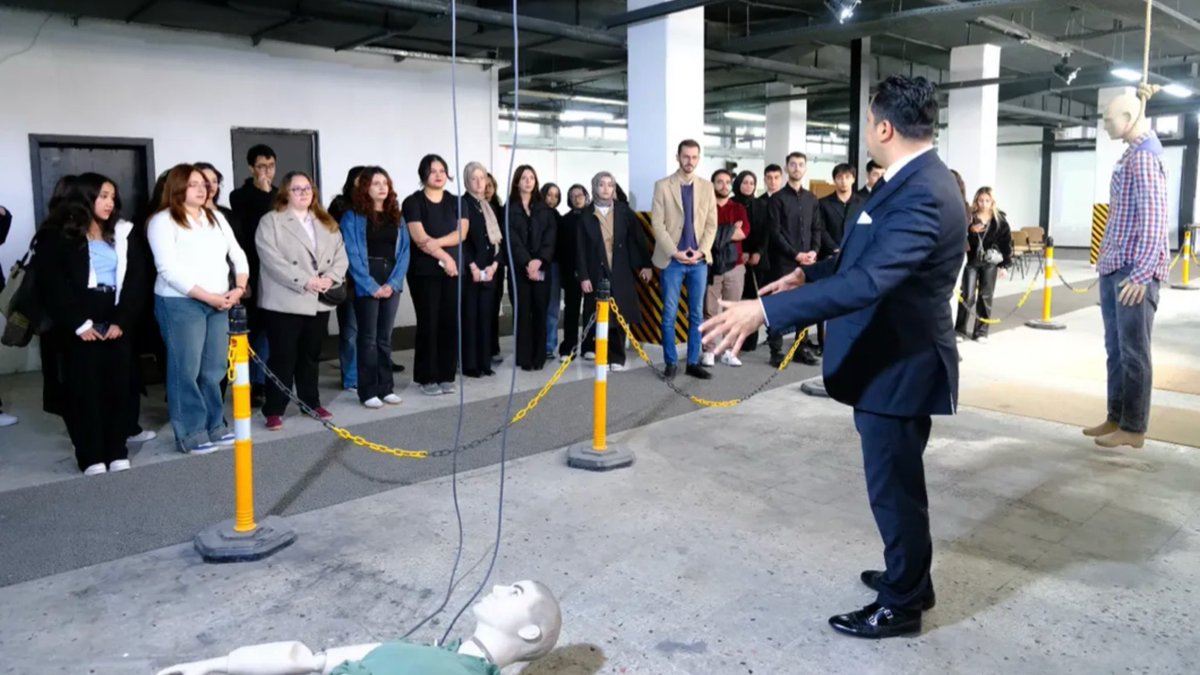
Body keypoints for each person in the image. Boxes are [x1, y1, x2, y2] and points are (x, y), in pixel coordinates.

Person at [702, 75, 966, 639]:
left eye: (871, 123)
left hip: (900, 364)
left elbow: (872, 280)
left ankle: (902, 604)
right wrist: (808, 272)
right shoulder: (908, 181)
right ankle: (911, 578)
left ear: (885, 127)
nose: (869, 132)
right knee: (897, 484)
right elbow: (863, 256)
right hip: (888, 360)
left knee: (893, 489)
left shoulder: (922, 189)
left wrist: (767, 312)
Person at [155, 580, 561, 675]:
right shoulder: (445, 654)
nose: (498, 586)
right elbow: (315, 660)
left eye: (515, 592)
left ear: (529, 632)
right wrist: (217, 664)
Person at [34, 173, 150, 474]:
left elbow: (137, 278)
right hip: (76, 319)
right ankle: (90, 455)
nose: (109, 202)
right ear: (85, 197)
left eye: (112, 196)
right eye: (102, 196)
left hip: (115, 314)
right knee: (83, 389)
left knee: (118, 387)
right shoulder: (57, 234)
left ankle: (117, 449)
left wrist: (122, 320)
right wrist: (78, 323)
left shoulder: (123, 233)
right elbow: (51, 284)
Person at [1084, 89, 1171, 450]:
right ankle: (1116, 416)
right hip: (1116, 265)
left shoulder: (1145, 160)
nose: (1104, 125)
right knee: (1117, 349)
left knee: (1134, 351)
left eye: (1108, 119)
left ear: (1129, 118)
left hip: (1133, 270)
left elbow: (1154, 221)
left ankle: (1134, 427)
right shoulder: (1132, 155)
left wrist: (1142, 273)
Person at [147, 164, 249, 454]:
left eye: (204, 183)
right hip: (180, 302)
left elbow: (237, 254)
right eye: (193, 184)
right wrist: (209, 297)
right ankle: (191, 433)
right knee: (186, 370)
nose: (202, 188)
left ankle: (215, 426)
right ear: (177, 187)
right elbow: (168, 269)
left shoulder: (215, 216)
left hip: (220, 299)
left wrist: (238, 288)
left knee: (213, 369)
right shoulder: (162, 221)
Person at [255, 172, 348, 430]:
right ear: (286, 192)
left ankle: (310, 401)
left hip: (319, 299)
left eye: (307, 188)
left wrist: (330, 278)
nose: (303, 193)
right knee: (283, 357)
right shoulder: (271, 222)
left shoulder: (325, 221)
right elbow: (272, 260)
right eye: (297, 189)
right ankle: (274, 408)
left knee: (310, 355)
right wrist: (306, 281)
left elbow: (341, 254)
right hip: (286, 299)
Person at [343, 167, 411, 407]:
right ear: (365, 188)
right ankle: (368, 391)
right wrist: (371, 285)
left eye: (385, 183)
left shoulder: (397, 216)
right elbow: (351, 254)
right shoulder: (352, 216)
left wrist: (393, 283)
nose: (382, 187)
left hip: (391, 276)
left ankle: (386, 388)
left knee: (385, 338)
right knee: (368, 338)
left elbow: (404, 253)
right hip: (366, 278)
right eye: (375, 183)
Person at [650, 139, 717, 380]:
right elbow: (657, 223)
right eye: (686, 156)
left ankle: (692, 362)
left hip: (699, 262)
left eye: (694, 157)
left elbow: (711, 224)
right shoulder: (662, 186)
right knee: (669, 314)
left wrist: (702, 251)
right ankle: (670, 363)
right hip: (672, 261)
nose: (690, 161)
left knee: (697, 315)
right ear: (677, 157)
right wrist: (674, 251)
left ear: (698, 159)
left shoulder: (707, 187)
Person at [404, 155, 468, 395]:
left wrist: (437, 245)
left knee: (449, 322)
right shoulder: (413, 202)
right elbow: (419, 238)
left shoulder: (457, 201)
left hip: (451, 272)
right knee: (428, 322)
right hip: (425, 272)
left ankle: (446, 375)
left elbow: (460, 234)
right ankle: (427, 378)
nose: (439, 175)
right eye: (433, 171)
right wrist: (447, 258)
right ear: (423, 175)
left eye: (442, 170)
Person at [578, 172, 652, 371]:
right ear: (595, 187)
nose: (605, 188)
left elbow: (637, 239)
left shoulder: (624, 211)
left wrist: (645, 264)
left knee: (620, 315)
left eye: (610, 185)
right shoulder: (585, 214)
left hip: (620, 269)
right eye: (601, 184)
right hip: (596, 270)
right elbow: (580, 248)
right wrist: (584, 275)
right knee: (598, 315)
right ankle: (600, 354)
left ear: (614, 188)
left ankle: (617, 357)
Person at [229, 144, 278, 407]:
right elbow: (249, 226)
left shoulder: (280, 194)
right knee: (253, 329)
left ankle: (264, 381)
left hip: (275, 271)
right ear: (251, 167)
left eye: (270, 166)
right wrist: (263, 189)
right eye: (261, 166)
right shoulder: (240, 196)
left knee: (270, 330)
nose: (266, 171)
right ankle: (248, 384)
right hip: (250, 269)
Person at [766, 151, 823, 368]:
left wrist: (814, 252)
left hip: (808, 262)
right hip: (784, 261)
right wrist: (795, 254)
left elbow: (816, 228)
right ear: (787, 167)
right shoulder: (777, 199)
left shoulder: (812, 199)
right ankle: (776, 350)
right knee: (780, 305)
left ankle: (800, 348)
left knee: (804, 306)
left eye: (800, 164)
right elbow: (775, 233)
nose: (797, 168)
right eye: (793, 164)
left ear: (805, 168)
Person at [506, 165, 556, 372]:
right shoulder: (509, 209)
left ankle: (539, 357)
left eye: (532, 178)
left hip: (542, 267)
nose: (528, 181)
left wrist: (539, 261)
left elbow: (550, 238)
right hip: (520, 269)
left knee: (540, 311)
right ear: (517, 181)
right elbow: (512, 239)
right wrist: (527, 262)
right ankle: (524, 357)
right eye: (524, 178)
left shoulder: (544, 209)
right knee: (523, 312)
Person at [815, 163, 868, 353]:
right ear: (834, 180)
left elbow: (866, 231)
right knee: (828, 302)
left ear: (853, 179)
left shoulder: (863, 203)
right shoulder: (823, 203)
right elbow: (820, 230)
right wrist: (836, 249)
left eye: (847, 177)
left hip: (856, 259)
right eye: (839, 177)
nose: (843, 181)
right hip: (830, 257)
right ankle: (824, 342)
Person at [701, 169, 749, 368]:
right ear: (712, 184)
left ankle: (729, 350)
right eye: (719, 181)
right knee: (710, 310)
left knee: (733, 310)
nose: (723, 185)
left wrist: (718, 233)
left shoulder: (738, 207)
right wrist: (730, 229)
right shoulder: (704, 206)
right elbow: (703, 234)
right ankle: (709, 351)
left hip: (735, 266)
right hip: (710, 264)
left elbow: (743, 232)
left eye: (727, 182)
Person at [460, 162, 504, 378]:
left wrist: (495, 264)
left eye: (482, 177)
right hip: (472, 271)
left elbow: (497, 241)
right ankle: (470, 364)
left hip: (490, 270)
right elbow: (462, 241)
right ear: (467, 180)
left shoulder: (488, 206)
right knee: (471, 317)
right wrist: (473, 266)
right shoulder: (463, 204)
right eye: (474, 178)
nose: (479, 182)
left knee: (486, 317)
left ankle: (485, 362)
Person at [955, 187, 1012, 344]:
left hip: (990, 262)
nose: (984, 204)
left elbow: (1006, 243)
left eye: (987, 200)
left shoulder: (999, 220)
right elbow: (962, 237)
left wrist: (1005, 265)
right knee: (967, 295)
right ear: (976, 201)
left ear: (992, 201)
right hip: (972, 261)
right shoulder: (970, 217)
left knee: (986, 296)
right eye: (981, 200)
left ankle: (981, 332)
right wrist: (971, 231)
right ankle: (960, 329)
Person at [328, 166, 366, 392]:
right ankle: (351, 377)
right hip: (348, 278)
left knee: (370, 330)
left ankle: (371, 372)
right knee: (350, 331)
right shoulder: (340, 206)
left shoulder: (375, 206)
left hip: (372, 277)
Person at [556, 184, 589, 361]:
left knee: (591, 310)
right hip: (570, 272)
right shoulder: (564, 220)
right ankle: (569, 347)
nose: (577, 198)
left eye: (580, 194)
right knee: (571, 310)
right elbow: (560, 249)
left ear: (586, 196)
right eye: (573, 195)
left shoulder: (593, 217)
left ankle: (589, 346)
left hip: (590, 272)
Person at [541, 182, 563, 359]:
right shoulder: (535, 213)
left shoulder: (558, 217)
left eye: (556, 196)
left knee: (553, 307)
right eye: (549, 194)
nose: (552, 199)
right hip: (539, 264)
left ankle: (550, 344)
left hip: (555, 266)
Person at [485, 172, 506, 365]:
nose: (488, 188)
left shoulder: (499, 209)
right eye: (486, 184)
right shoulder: (474, 207)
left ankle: (493, 346)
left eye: (492, 184)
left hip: (497, 266)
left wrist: (498, 261)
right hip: (479, 266)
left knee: (493, 308)